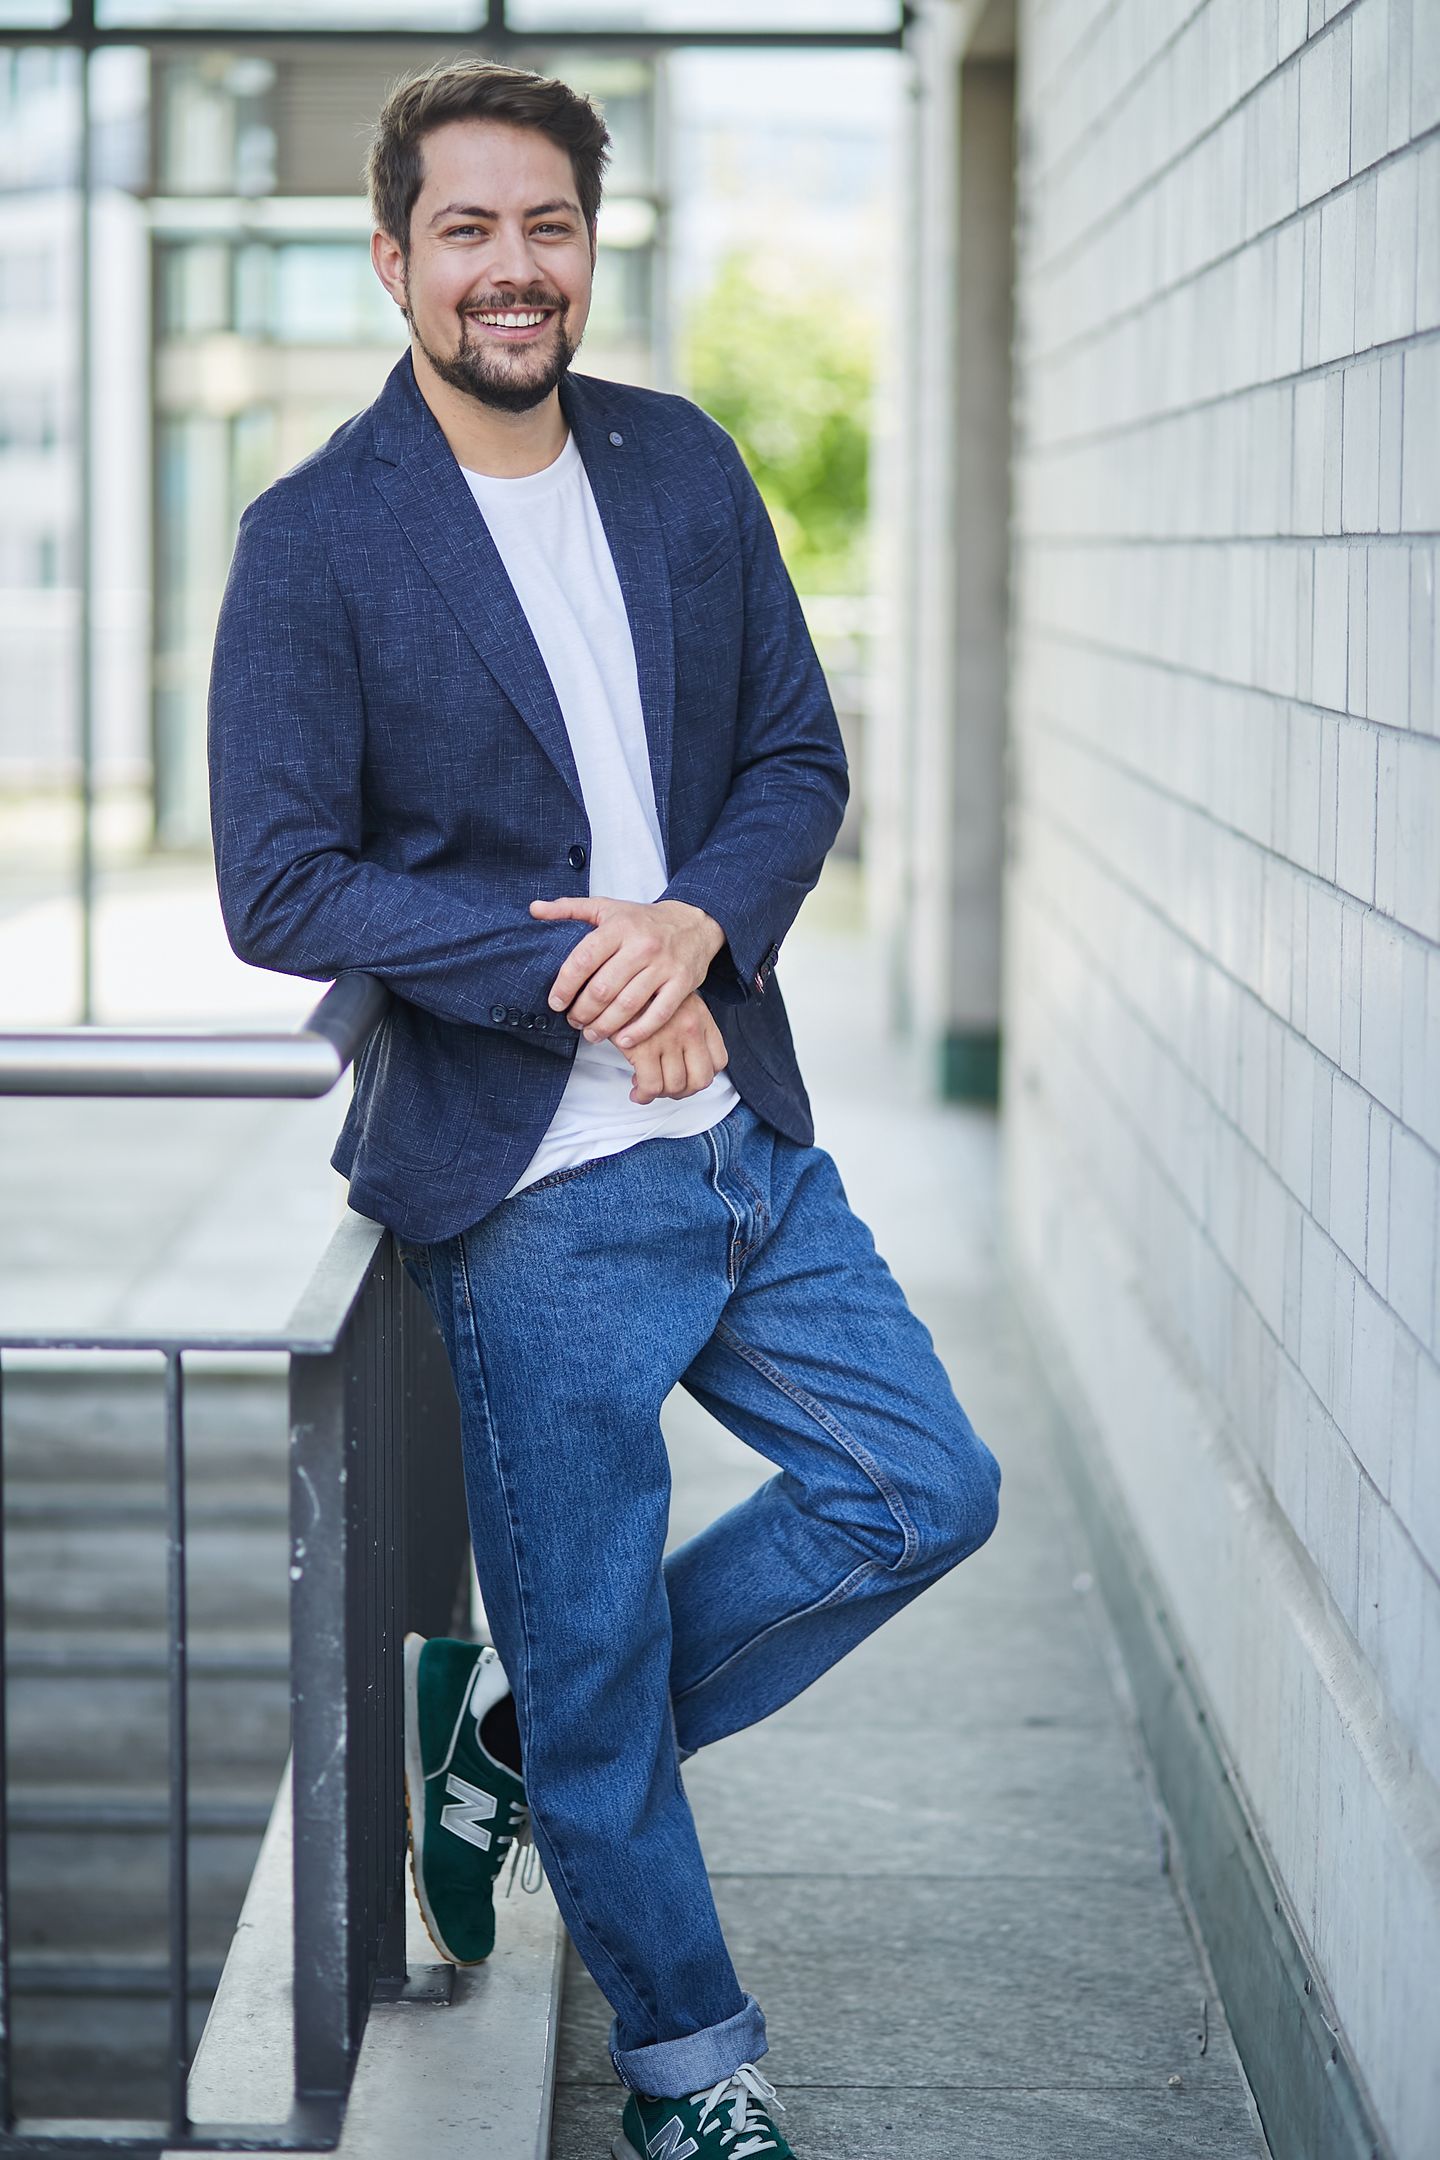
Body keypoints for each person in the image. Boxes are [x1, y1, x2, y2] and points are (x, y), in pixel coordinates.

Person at [208, 58, 1000, 2160]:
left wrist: (697, 926)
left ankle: (524, 1730)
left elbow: (796, 760)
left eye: (546, 225)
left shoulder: (680, 467)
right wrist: (584, 961)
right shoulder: (315, 540)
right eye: (466, 229)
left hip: (737, 1136)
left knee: (924, 1491)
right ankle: (690, 2076)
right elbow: (279, 883)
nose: (513, 266)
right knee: (591, 1632)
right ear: (395, 260)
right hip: (529, 1189)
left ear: (587, 246)